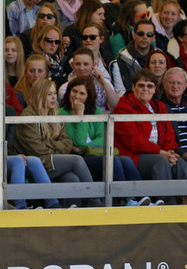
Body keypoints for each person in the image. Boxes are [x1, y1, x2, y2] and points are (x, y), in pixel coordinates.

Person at [0, 75, 59, 209]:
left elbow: (10, 144)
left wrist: (12, 156)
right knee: (17, 161)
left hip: (7, 159)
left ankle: (53, 204)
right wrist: (11, 158)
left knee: (34, 160)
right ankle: (20, 206)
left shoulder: (10, 111)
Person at [59, 76, 148, 206]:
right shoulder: (61, 113)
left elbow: (103, 138)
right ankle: (125, 200)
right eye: (74, 91)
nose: (77, 96)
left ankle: (143, 198)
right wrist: (80, 116)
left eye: (82, 93)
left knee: (127, 161)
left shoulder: (96, 111)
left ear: (89, 96)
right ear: (68, 92)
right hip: (80, 159)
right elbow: (79, 141)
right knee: (113, 161)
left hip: (94, 153)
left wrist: (86, 147)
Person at [13, 78, 101, 208]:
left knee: (72, 179)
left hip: (51, 161)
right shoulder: (28, 116)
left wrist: (50, 144)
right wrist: (56, 145)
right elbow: (38, 150)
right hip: (34, 164)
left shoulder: (55, 113)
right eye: (49, 94)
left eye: (54, 93)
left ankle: (71, 212)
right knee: (77, 160)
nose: (54, 98)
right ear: (39, 95)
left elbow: (67, 142)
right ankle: (96, 204)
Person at [113, 68, 187, 205]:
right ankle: (168, 203)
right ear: (133, 87)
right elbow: (133, 142)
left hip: (160, 153)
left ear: (155, 89)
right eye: (141, 85)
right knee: (160, 161)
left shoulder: (160, 107)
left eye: (149, 86)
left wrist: (169, 152)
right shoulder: (123, 107)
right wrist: (161, 153)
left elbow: (169, 134)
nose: (145, 89)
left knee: (180, 163)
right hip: (133, 156)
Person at [58, 47, 120, 112]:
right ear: (72, 65)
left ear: (93, 65)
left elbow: (116, 106)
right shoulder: (65, 88)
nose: (81, 68)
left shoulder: (104, 82)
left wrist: (103, 83)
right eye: (78, 64)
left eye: (86, 64)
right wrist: (102, 114)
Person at [116, 18, 156, 92]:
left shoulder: (159, 57)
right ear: (134, 35)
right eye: (141, 33)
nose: (145, 37)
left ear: (153, 38)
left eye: (149, 34)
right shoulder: (122, 59)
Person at [161, 67, 187, 155]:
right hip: (176, 155)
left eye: (179, 83)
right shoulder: (158, 107)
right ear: (164, 84)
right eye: (171, 82)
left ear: (185, 85)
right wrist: (182, 153)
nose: (175, 86)